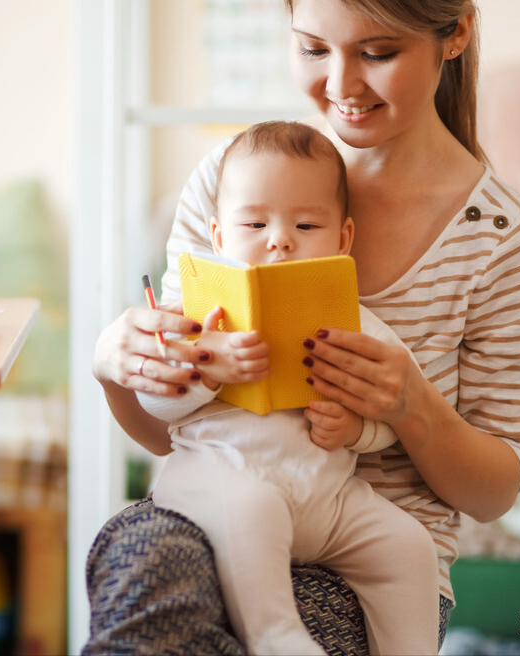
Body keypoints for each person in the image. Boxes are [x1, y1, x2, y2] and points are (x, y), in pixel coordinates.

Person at [86, 0, 520, 653]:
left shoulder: (505, 243)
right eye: (312, 48)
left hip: (352, 552)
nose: (340, 85)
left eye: (377, 52)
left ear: (454, 33)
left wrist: (409, 408)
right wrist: (117, 371)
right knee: (138, 564)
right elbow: (168, 435)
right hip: (221, 500)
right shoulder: (235, 180)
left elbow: (494, 493)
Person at [138, 120, 440, 656]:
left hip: (328, 504)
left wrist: (358, 429)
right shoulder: (194, 315)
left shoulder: (354, 322)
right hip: (219, 485)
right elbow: (154, 402)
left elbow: (393, 410)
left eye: (305, 224)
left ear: (342, 239)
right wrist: (205, 369)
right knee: (253, 509)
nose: (279, 239)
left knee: (407, 546)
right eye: (254, 223)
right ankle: (278, 638)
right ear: (218, 238)